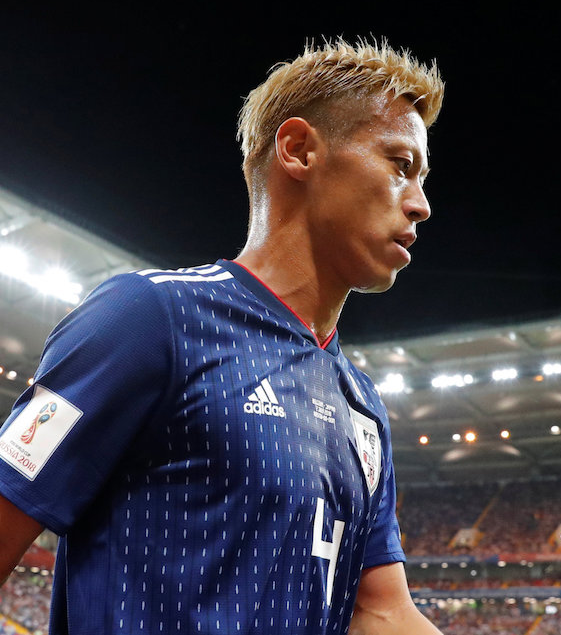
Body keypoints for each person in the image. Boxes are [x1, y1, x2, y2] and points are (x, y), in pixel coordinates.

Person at [0, 38, 444, 635]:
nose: (420, 204)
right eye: (399, 165)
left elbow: (383, 611)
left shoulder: (362, 407)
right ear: (298, 150)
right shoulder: (151, 318)